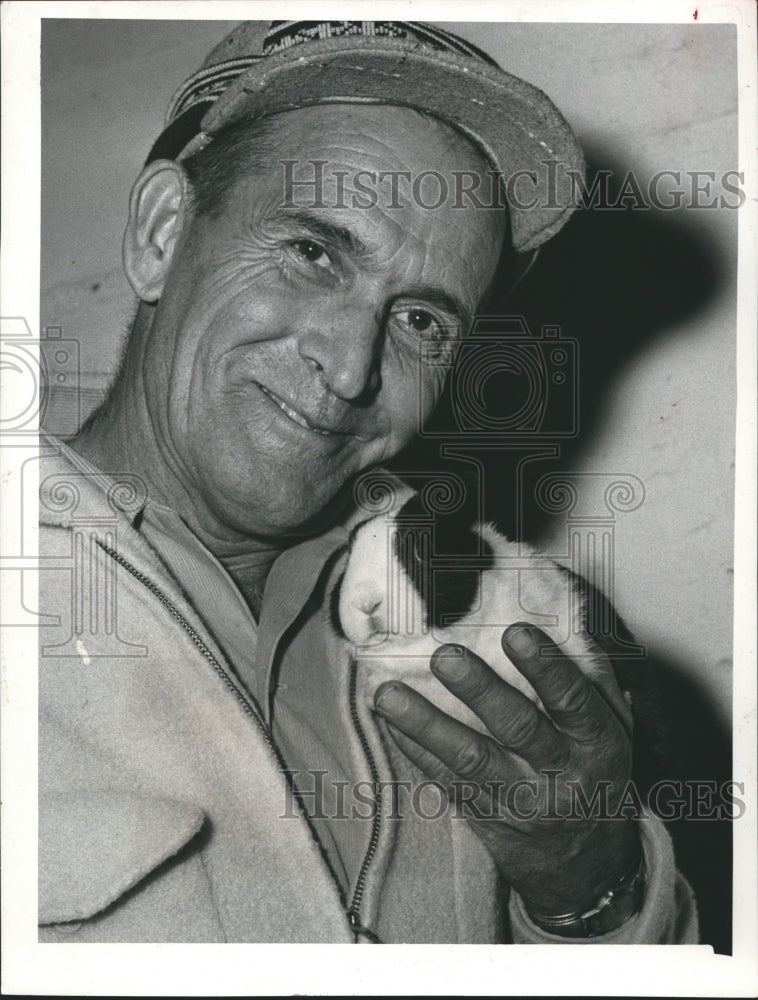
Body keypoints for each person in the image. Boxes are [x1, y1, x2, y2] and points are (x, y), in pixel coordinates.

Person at [38, 20, 698, 943]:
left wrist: (590, 889)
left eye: (423, 320)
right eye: (315, 252)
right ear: (161, 235)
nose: (351, 369)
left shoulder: (492, 629)